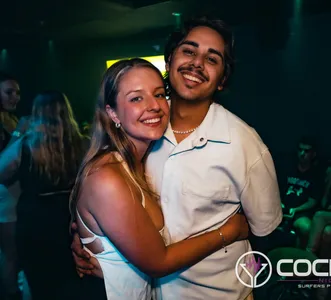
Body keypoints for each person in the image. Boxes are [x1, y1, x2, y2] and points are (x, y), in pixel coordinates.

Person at [72, 17, 282, 300]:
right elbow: (102, 205)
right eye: (189, 51)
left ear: (222, 80)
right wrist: (91, 243)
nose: (197, 63)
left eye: (212, 58)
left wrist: (247, 286)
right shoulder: (147, 125)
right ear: (169, 60)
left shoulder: (245, 145)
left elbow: (263, 233)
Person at [0, 91, 88, 299]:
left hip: (35, 220)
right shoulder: (83, 143)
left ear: (36, 113)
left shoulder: (26, 145)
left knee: (41, 280)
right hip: (71, 216)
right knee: (73, 276)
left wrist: (17, 135)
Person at [278, 136, 324, 247]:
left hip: (301, 212)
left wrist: (296, 210)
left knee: (306, 228)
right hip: (281, 208)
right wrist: (280, 205)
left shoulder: (316, 174)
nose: (302, 153)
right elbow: (276, 190)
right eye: (300, 150)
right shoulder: (287, 168)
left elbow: (313, 200)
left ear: (313, 154)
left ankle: (300, 258)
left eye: (306, 151)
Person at [0, 72, 21, 300]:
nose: (15, 97)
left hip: (16, 194)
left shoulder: (12, 119)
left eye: (17, 92)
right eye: (9, 92)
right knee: (9, 253)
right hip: (4, 196)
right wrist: (18, 134)